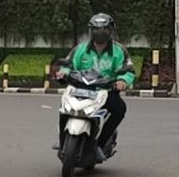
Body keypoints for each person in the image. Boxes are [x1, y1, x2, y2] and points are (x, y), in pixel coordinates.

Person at [56, 12, 135, 162]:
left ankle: (100, 144)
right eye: (96, 30)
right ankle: (62, 143)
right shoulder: (80, 49)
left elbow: (128, 71)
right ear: (90, 31)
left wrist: (123, 81)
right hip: (80, 89)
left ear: (111, 31)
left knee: (120, 109)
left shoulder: (119, 51)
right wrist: (63, 73)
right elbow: (68, 64)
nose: (100, 33)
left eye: (103, 30)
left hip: (105, 91)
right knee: (63, 110)